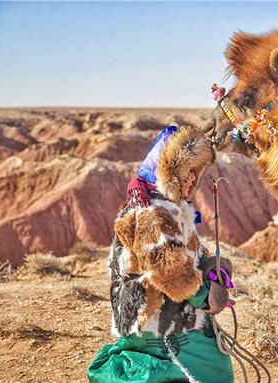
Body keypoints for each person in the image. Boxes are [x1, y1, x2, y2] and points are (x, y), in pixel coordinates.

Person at [88, 126, 234, 383]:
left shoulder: (168, 207)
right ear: (169, 171)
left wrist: (210, 265)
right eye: (186, 171)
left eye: (195, 173)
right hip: (160, 324)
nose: (191, 179)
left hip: (163, 317)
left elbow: (182, 256)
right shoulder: (153, 213)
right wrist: (209, 296)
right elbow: (172, 274)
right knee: (210, 370)